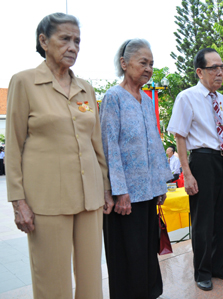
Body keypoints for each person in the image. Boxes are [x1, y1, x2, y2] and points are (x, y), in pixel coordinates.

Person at [5, 13, 111, 299]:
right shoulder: (24, 82)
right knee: (52, 278)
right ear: (43, 41)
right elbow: (13, 146)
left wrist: (106, 188)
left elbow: (96, 142)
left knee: (91, 278)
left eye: (77, 40)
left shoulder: (85, 87)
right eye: (65, 39)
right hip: (47, 199)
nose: (73, 46)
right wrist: (18, 201)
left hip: (89, 197)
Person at [100, 39, 173, 299]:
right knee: (126, 255)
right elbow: (110, 147)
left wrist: (161, 184)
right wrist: (119, 191)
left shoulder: (146, 99)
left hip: (147, 192)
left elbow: (154, 143)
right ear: (124, 63)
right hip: (126, 197)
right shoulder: (113, 97)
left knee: (145, 251)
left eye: (151, 64)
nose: (149, 68)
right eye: (143, 62)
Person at [167, 48, 223, 291]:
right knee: (203, 219)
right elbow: (180, 136)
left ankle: (220, 265)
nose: (220, 72)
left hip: (222, 160)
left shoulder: (221, 99)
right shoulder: (186, 97)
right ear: (199, 72)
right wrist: (187, 172)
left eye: (222, 68)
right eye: (213, 68)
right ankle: (203, 270)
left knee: (222, 217)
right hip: (202, 161)